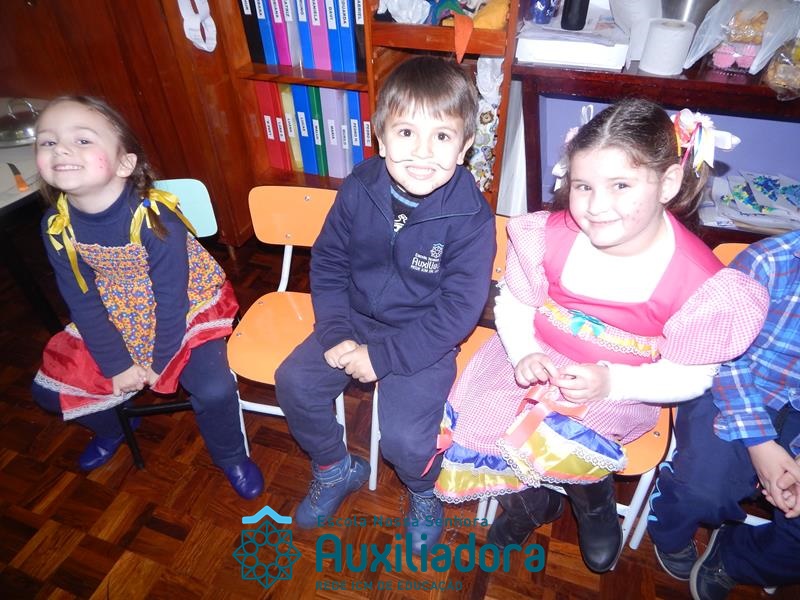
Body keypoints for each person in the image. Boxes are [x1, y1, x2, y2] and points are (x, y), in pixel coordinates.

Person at [433, 98, 770, 573]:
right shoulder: (548, 236)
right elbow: (516, 303)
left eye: (621, 185)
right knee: (482, 422)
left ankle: (593, 504)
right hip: (534, 355)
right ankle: (532, 505)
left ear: (668, 183)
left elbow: (691, 376)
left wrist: (613, 382)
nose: (595, 206)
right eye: (583, 186)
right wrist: (524, 351)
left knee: (566, 439)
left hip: (623, 383)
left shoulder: (698, 283)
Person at [274, 56, 496, 553]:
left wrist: (383, 357)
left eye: (442, 136)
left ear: (464, 146)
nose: (422, 152)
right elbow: (329, 260)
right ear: (380, 137)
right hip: (352, 318)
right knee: (295, 383)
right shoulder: (360, 186)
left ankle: (423, 491)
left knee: (404, 441)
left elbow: (458, 312)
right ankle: (334, 467)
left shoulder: (470, 218)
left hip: (423, 338)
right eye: (406, 132)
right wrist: (335, 331)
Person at [30, 96, 264, 500]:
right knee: (47, 391)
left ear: (125, 164)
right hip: (116, 308)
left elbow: (171, 300)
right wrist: (118, 366)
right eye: (48, 142)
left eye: (82, 140)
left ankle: (231, 456)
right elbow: (82, 300)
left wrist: (158, 363)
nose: (61, 149)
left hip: (184, 306)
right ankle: (116, 425)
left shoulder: (155, 218)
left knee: (214, 390)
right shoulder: (56, 225)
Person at [647, 231, 800, 600]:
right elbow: (721, 354)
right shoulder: (768, 262)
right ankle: (670, 533)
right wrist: (760, 444)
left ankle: (735, 559)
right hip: (736, 382)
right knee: (703, 491)